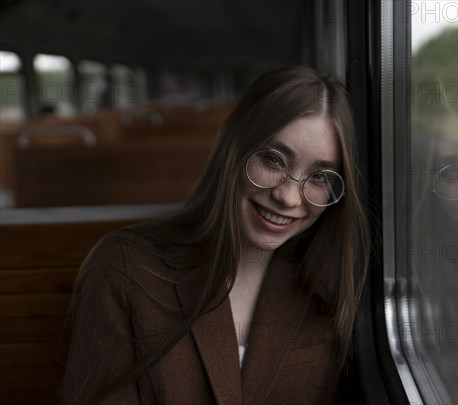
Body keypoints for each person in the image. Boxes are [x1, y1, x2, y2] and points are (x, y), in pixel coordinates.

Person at [61, 65, 370, 404]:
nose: (289, 197)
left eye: (321, 177)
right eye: (273, 160)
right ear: (233, 154)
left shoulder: (329, 286)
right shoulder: (125, 268)